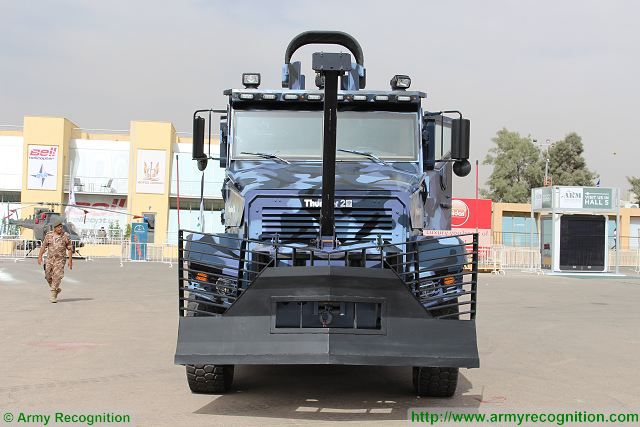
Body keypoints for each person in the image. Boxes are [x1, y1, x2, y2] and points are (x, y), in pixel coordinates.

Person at [37, 218, 73, 303]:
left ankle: (53, 294)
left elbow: (70, 248)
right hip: (49, 259)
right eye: (59, 227)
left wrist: (70, 260)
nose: (60, 228)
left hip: (60, 260)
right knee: (47, 275)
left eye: (61, 227)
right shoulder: (49, 235)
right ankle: (56, 288)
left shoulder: (65, 236)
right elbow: (43, 246)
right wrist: (39, 256)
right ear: (55, 228)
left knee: (57, 276)